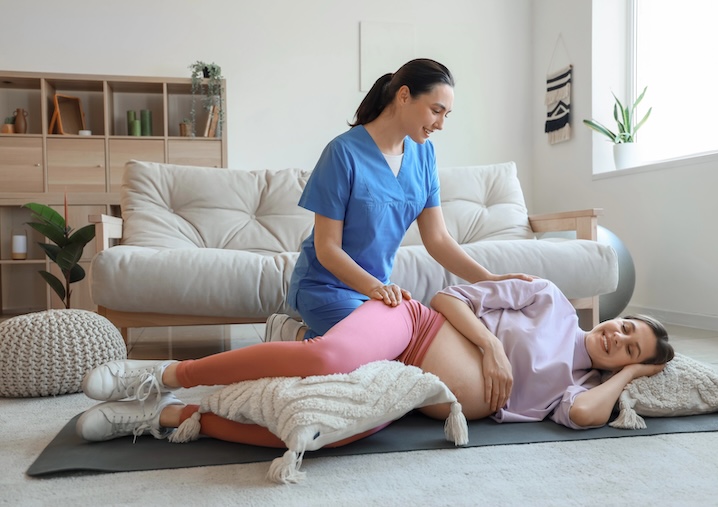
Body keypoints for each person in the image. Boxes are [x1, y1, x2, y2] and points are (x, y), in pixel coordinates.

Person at [76, 277, 674, 446]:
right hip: (413, 326)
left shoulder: (578, 387)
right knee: (325, 356)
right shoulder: (549, 299)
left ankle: (166, 417)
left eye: (631, 350)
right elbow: (448, 296)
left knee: (320, 432)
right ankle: (159, 375)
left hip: (406, 391)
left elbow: (587, 417)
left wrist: (627, 376)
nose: (618, 338)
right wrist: (490, 346)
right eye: (627, 328)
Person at [266, 58, 528, 342]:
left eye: (446, 115)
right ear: (404, 96)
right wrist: (375, 289)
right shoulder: (342, 152)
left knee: (411, 343)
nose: (440, 124)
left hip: (378, 291)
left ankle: (315, 338)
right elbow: (327, 248)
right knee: (375, 343)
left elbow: (438, 239)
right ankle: (291, 333)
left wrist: (488, 279)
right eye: (436, 111)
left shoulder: (424, 155)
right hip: (326, 287)